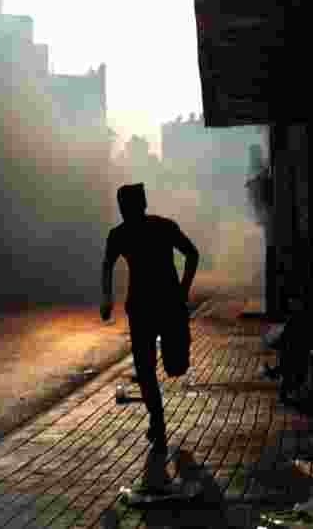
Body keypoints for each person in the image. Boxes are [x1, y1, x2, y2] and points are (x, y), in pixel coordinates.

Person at [100, 183, 199, 452]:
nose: (125, 212)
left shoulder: (160, 227)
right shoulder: (123, 234)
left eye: (127, 206)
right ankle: (157, 419)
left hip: (166, 306)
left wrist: (183, 291)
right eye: (123, 207)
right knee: (145, 370)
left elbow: (192, 254)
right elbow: (107, 265)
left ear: (139, 206)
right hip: (148, 309)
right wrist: (107, 298)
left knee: (174, 367)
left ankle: (156, 417)